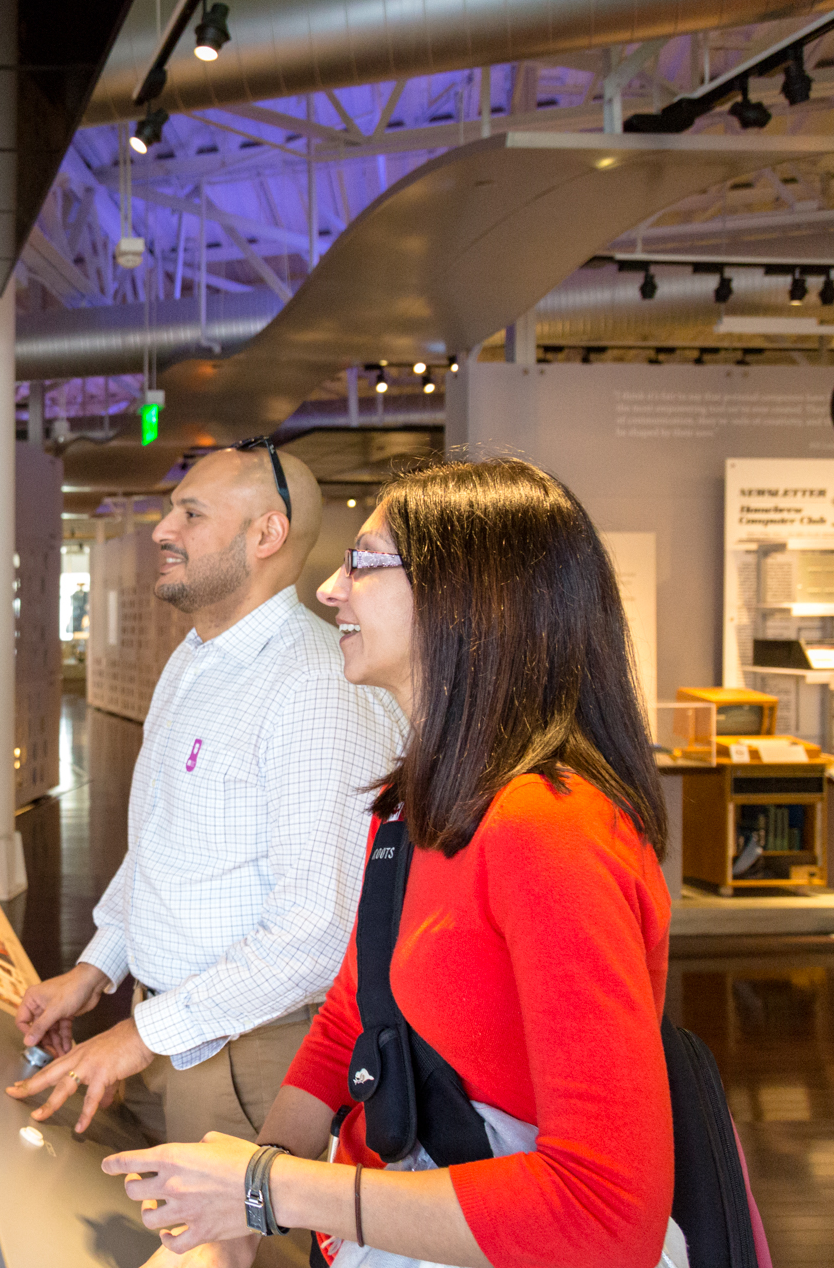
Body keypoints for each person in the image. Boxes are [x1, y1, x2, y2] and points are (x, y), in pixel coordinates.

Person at [103, 459, 677, 1268]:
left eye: (364, 563)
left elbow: (604, 1216)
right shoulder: (418, 800)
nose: (331, 588)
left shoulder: (551, 830)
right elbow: (353, 1013)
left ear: (473, 597)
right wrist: (249, 1186)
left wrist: (269, 1190)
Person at [7, 439, 405, 1181]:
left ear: (266, 535)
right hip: (173, 1033)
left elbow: (317, 932)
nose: (162, 530)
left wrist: (140, 1036)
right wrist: (97, 970)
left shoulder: (317, 686)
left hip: (249, 1058)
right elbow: (164, 844)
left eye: (189, 513)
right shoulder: (194, 658)